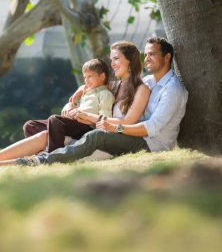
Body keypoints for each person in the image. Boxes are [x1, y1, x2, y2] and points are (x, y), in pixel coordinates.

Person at [0, 41, 150, 166]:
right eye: (111, 60)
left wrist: (89, 117)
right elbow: (89, 85)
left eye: (116, 59)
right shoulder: (115, 85)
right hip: (85, 123)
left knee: (54, 121)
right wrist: (70, 103)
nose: (113, 64)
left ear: (130, 60)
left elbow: (127, 122)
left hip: (101, 131)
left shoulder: (141, 89)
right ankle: (41, 153)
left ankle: (50, 157)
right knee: (31, 126)